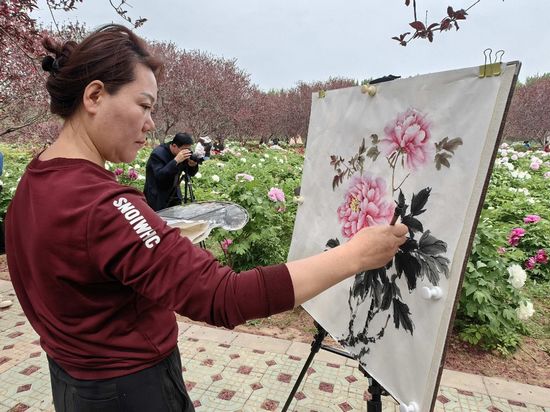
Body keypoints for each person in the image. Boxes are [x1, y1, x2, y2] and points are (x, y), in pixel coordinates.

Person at [4, 24, 408, 412]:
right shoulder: (102, 205)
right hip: (132, 392)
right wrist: (355, 255)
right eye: (144, 105)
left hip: (73, 384)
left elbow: (84, 268)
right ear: (94, 96)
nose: (151, 123)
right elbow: (223, 296)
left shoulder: (36, 178)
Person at [143, 132, 199, 211]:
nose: (186, 152)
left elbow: (191, 173)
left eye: (188, 149)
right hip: (157, 196)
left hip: (174, 193)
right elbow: (160, 176)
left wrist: (192, 165)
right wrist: (175, 161)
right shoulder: (157, 154)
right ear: (174, 146)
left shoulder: (182, 153)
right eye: (184, 149)